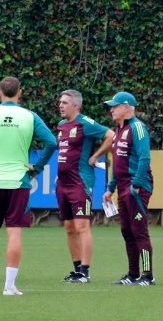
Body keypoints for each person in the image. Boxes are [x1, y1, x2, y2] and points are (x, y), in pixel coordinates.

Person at [0, 76, 57, 295]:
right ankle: (9, 286)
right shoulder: (29, 116)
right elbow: (52, 142)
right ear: (19, 93)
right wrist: (38, 167)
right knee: (14, 233)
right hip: (18, 180)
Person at [56, 90, 114, 283]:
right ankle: (77, 269)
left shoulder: (85, 123)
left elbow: (110, 135)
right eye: (60, 102)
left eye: (65, 103)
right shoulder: (62, 125)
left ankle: (85, 271)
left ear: (76, 106)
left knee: (82, 226)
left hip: (80, 182)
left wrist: (96, 156)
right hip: (62, 183)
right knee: (69, 227)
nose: (61, 105)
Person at [102, 91, 155, 286]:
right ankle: (133, 275)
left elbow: (144, 158)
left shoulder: (138, 128)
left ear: (126, 107)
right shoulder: (118, 130)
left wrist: (137, 185)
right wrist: (110, 188)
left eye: (115, 106)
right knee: (127, 230)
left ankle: (148, 275)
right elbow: (118, 164)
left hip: (136, 187)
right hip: (123, 187)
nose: (112, 110)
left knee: (139, 230)